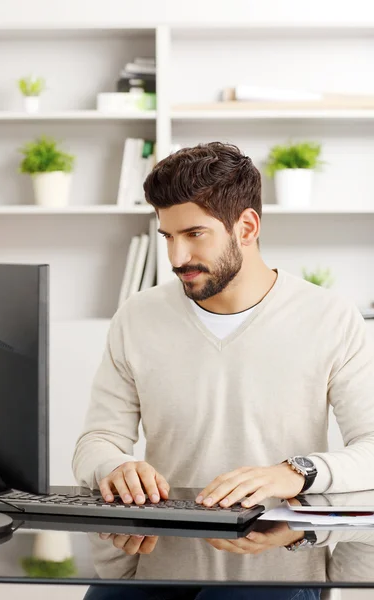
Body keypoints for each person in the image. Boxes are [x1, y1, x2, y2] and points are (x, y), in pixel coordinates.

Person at [73, 142, 374, 600]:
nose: (176, 258)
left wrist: (296, 473)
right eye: (168, 236)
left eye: (194, 234)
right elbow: (96, 441)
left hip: (277, 576)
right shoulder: (137, 316)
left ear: (247, 227)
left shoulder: (330, 318)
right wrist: (113, 467)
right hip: (159, 570)